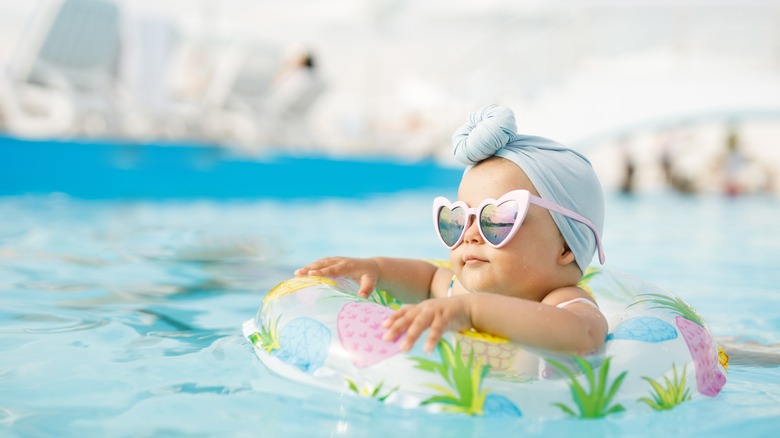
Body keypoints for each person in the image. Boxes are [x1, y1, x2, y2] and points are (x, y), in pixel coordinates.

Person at [295, 104, 608, 356]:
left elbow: (583, 335)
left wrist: (472, 310)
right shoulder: (460, 289)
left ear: (565, 247)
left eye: (496, 220)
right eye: (458, 220)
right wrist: (376, 267)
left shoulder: (563, 301)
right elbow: (429, 278)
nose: (469, 235)